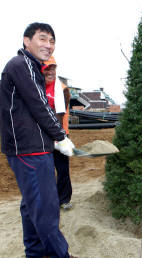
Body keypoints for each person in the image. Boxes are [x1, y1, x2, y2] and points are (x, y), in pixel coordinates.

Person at [0, 22, 76, 257]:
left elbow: (31, 110)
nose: (49, 45)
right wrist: (60, 136)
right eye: (42, 39)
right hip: (29, 149)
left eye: (52, 41)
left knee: (32, 204)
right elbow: (39, 105)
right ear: (26, 40)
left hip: (33, 145)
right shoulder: (20, 65)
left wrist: (51, 138)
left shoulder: (33, 67)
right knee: (45, 207)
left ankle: (34, 252)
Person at [43, 56, 73, 210]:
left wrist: (59, 137)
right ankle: (49, 200)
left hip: (60, 133)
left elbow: (59, 115)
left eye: (53, 68)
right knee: (45, 169)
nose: (50, 71)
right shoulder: (37, 86)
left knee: (62, 169)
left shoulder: (62, 89)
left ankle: (64, 199)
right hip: (41, 135)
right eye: (47, 68)